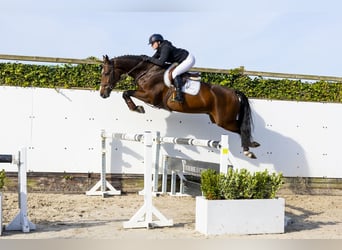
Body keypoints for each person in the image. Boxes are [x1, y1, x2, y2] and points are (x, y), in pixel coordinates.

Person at [143, 34, 195, 103]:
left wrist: (149, 59)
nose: (151, 45)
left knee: (174, 73)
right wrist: (144, 60)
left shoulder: (165, 47)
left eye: (153, 43)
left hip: (188, 59)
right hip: (181, 61)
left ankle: (179, 96)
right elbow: (153, 59)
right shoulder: (160, 49)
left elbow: (161, 62)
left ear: (158, 42)